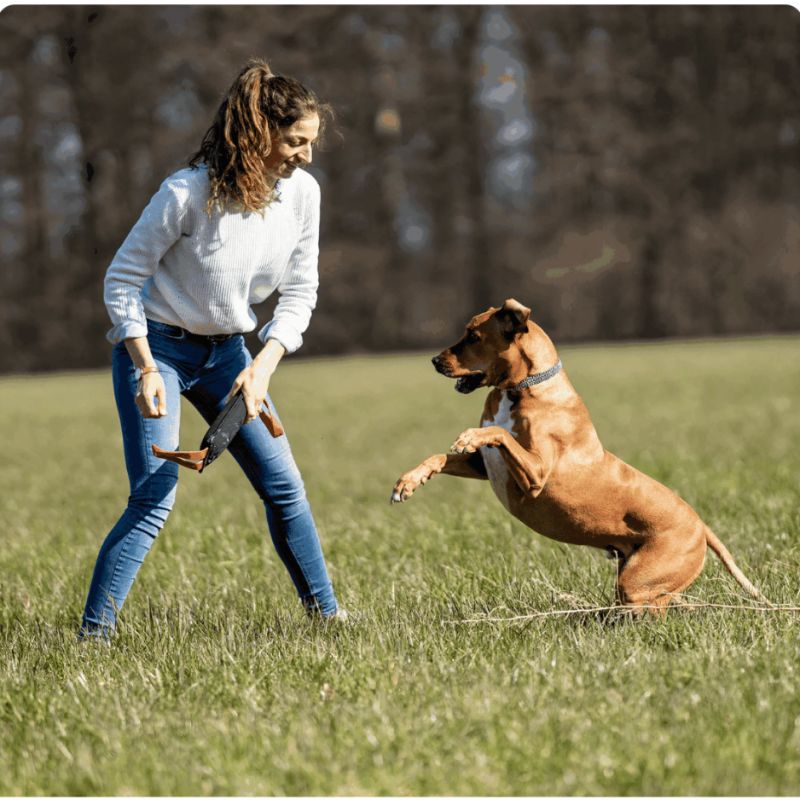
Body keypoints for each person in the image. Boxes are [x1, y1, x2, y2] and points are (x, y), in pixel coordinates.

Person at [80, 58, 344, 639]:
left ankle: (329, 618)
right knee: (155, 494)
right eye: (295, 142)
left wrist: (263, 367)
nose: (305, 155)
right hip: (158, 353)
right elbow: (122, 279)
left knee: (285, 487)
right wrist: (144, 365)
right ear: (258, 134)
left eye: (310, 143)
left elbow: (301, 290)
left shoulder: (303, 194)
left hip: (231, 356)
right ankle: (92, 638)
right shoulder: (186, 192)